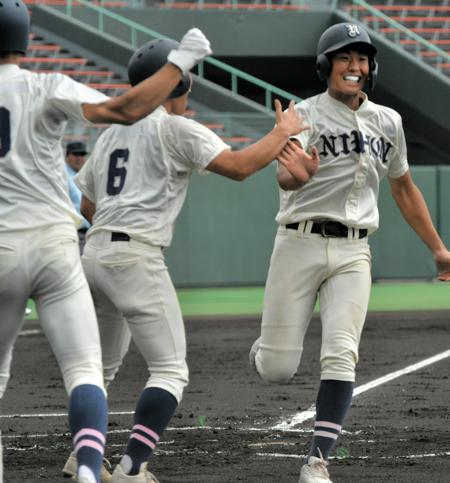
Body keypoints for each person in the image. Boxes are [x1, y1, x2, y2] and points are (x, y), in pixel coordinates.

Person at [73, 37, 310, 482]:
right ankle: (131, 468)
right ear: (171, 83)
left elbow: (88, 205)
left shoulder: (109, 134)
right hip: (134, 256)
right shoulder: (173, 127)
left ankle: (81, 457)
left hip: (93, 252)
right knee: (169, 370)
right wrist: (281, 133)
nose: (186, 94)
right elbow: (239, 167)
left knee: (97, 368)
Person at [0, 0, 212, 479]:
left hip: (9, 243)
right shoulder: (45, 84)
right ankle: (97, 471)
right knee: (88, 371)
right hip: (56, 242)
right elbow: (125, 108)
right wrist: (180, 62)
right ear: (23, 39)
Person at [249, 22, 450, 483]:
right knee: (278, 369)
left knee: (342, 354)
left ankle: (317, 460)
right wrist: (298, 174)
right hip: (298, 243)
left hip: (354, 251)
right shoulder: (302, 115)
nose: (355, 66)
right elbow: (284, 178)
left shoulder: (388, 121)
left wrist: (439, 248)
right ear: (327, 65)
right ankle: (264, 349)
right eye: (345, 57)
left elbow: (403, 188)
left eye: (362, 58)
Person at [65, 141, 92, 252]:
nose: (79, 158)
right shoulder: (62, 174)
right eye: (75, 154)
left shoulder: (84, 175)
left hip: (87, 234)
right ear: (67, 156)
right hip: (72, 232)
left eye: (82, 155)